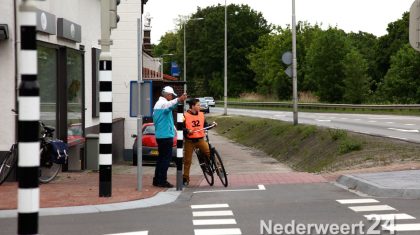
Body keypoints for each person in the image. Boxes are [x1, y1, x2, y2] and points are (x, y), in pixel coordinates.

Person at [152, 86, 187, 188]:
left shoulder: (158, 104)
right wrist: (179, 99)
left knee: (160, 159)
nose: (172, 97)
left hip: (161, 135)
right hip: (165, 136)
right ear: (168, 95)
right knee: (165, 160)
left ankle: (156, 180)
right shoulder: (163, 104)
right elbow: (169, 105)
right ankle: (162, 181)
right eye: (171, 95)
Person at [183, 98, 216, 186]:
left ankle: (218, 168)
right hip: (189, 141)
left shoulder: (201, 114)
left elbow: (205, 125)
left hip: (200, 139)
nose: (199, 106)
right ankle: (185, 178)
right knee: (187, 160)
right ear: (193, 106)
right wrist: (187, 130)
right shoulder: (185, 115)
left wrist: (211, 125)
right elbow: (181, 127)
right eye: (198, 105)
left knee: (210, 152)